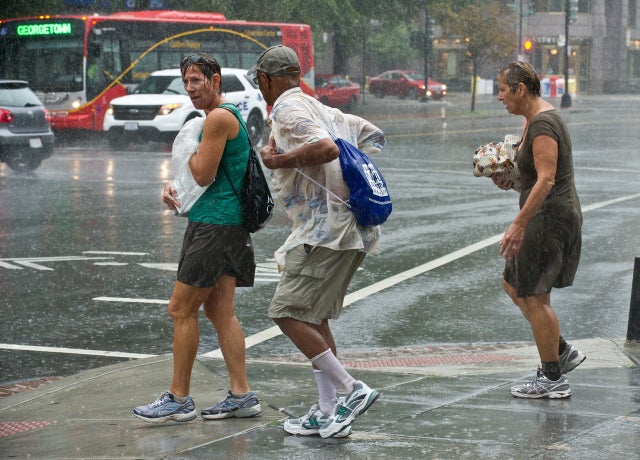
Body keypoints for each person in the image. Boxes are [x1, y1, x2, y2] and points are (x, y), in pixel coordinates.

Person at [248, 45, 384, 438]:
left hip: (327, 232)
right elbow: (368, 135)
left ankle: (350, 390)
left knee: (286, 312)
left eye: (260, 82)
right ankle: (327, 412)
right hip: (348, 228)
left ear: (266, 80)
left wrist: (279, 161)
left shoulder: (289, 110)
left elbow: (325, 148)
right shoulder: (319, 107)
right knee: (313, 316)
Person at [133, 53, 262, 422]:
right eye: (185, 82)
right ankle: (242, 394)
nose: (190, 88)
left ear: (215, 81)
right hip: (223, 224)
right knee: (220, 311)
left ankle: (179, 398)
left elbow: (203, 175)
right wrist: (173, 187)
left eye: (196, 81)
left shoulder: (219, 118)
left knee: (180, 308)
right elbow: (204, 179)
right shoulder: (217, 117)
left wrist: (187, 147)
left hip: (215, 227)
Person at [493, 61, 586, 399]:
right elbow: (534, 176)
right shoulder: (533, 120)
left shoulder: (544, 123)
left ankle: (553, 378)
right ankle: (559, 350)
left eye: (504, 90)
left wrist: (518, 224)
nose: (500, 97)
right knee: (513, 285)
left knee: (534, 294)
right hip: (545, 215)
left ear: (521, 89)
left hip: (549, 218)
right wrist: (510, 179)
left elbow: (547, 178)